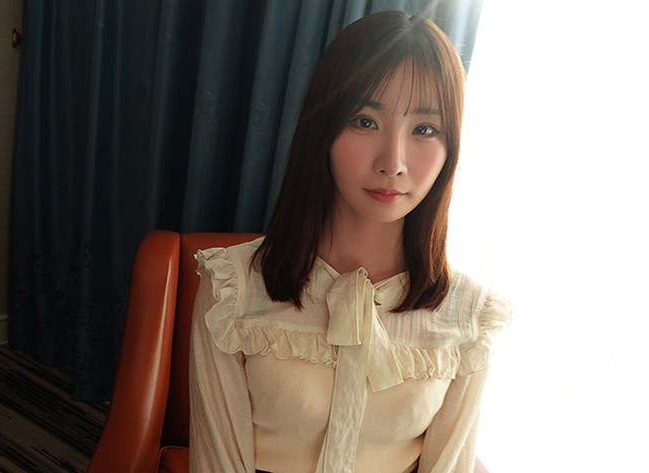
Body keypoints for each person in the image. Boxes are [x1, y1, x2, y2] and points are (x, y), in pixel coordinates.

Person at [189, 10, 510, 473]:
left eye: (424, 129)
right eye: (364, 120)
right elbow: (216, 460)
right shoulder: (232, 286)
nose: (392, 163)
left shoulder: (469, 315)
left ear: (451, 147)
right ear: (322, 131)